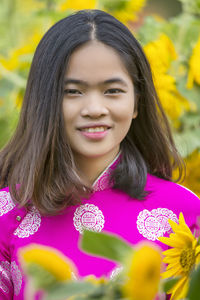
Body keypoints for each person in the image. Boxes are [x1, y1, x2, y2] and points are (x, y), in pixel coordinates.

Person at [0, 9, 199, 299]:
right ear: (45, 101)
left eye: (113, 91)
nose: (94, 108)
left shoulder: (185, 213)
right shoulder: (8, 212)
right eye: (73, 92)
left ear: (135, 103)